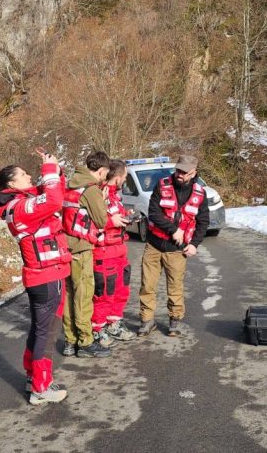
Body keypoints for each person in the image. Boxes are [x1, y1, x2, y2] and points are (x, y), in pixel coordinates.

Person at [0, 149, 72, 405]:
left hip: (47, 273)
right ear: (12, 184)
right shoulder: (20, 206)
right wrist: (48, 172)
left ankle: (33, 377)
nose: (30, 176)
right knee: (47, 334)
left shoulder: (20, 201)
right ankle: (41, 387)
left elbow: (56, 194)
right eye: (24, 175)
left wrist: (56, 170)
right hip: (46, 276)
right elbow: (54, 202)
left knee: (40, 330)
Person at [61, 151, 128, 357]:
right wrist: (102, 199)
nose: (104, 179)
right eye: (104, 174)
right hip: (81, 248)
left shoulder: (71, 183)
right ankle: (86, 341)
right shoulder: (91, 189)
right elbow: (100, 220)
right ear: (100, 171)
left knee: (70, 295)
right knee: (84, 296)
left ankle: (70, 341)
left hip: (66, 246)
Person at [137, 155, 210, 337]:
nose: (180, 174)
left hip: (177, 250)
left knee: (175, 287)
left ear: (194, 173)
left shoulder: (200, 193)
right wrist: (173, 230)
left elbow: (203, 222)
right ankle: (147, 321)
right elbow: (153, 213)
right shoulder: (161, 185)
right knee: (147, 285)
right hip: (153, 245)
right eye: (178, 170)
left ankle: (174, 322)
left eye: (185, 172)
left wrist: (194, 244)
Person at [93, 160, 137, 342]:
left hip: (119, 252)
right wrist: (112, 222)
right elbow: (91, 223)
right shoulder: (97, 195)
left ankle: (114, 324)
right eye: (125, 176)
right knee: (104, 294)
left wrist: (127, 216)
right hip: (103, 254)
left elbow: (114, 216)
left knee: (121, 291)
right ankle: (97, 329)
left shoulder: (115, 196)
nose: (125, 180)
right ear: (118, 178)